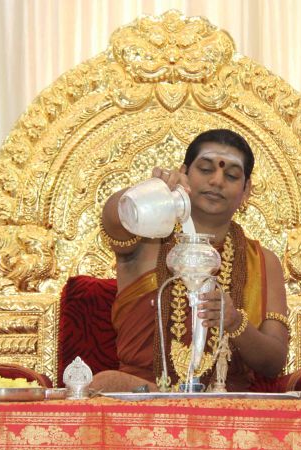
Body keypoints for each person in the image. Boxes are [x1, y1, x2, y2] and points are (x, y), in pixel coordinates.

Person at [91, 129, 290, 392]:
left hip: (223, 404)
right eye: (206, 169)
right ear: (184, 174)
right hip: (143, 397)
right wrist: (150, 193)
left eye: (231, 175)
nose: (217, 181)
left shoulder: (263, 261)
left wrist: (235, 322)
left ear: (246, 192)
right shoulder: (148, 234)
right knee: (107, 383)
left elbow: (274, 361)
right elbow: (113, 218)